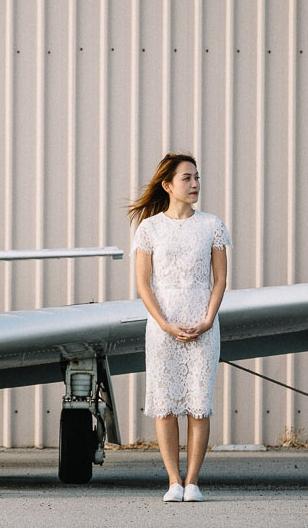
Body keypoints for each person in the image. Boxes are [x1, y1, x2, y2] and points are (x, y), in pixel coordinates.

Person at [128, 153, 230, 503]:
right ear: (168, 185)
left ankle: (193, 482)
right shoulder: (149, 228)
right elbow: (143, 284)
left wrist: (207, 319)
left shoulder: (212, 225)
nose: (195, 184)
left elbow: (220, 281)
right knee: (166, 404)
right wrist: (165, 323)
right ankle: (173, 480)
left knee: (199, 404)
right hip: (163, 326)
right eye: (187, 178)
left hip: (203, 324)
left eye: (197, 177)